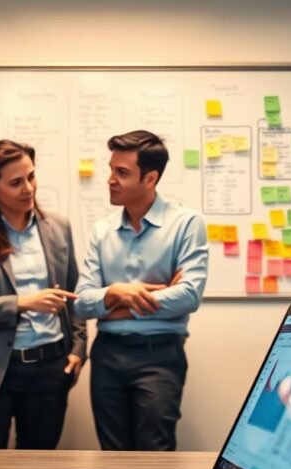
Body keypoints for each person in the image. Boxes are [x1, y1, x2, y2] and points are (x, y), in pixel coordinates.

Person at [0, 140, 87, 449]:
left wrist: (77, 347)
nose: (29, 188)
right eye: (16, 182)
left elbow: (74, 293)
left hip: (51, 368)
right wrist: (21, 303)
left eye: (31, 177)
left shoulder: (58, 227)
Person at [74, 130, 208, 451]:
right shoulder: (102, 230)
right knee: (112, 455)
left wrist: (113, 301)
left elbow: (189, 296)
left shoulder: (186, 224)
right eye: (111, 169)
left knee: (155, 455)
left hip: (159, 355)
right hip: (107, 354)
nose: (110, 179)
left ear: (150, 179)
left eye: (122, 173)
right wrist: (120, 293)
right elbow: (81, 302)